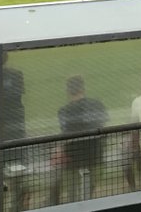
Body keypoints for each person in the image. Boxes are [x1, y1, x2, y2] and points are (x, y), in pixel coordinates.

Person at [51, 75, 109, 204]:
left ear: (67, 91)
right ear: (83, 88)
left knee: (73, 195)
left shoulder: (63, 111)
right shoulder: (97, 104)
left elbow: (65, 135)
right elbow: (103, 126)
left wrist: (59, 149)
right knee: (88, 192)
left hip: (73, 158)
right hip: (95, 155)